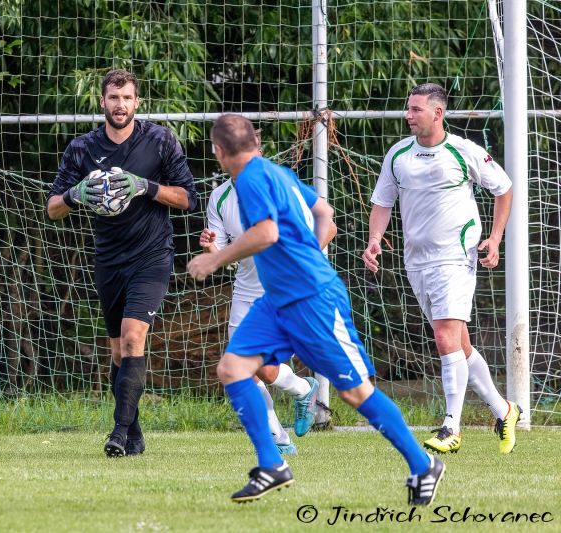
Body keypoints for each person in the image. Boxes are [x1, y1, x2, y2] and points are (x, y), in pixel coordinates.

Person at [187, 114, 443, 505]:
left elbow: (267, 232)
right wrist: (310, 250)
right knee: (233, 368)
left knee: (355, 393)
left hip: (312, 300)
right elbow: (324, 212)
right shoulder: (277, 172)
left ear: (218, 152)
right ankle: (272, 463)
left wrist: (214, 259)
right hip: (278, 301)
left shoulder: (251, 179)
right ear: (255, 142)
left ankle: (422, 464)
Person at [362, 83, 521, 455]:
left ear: (438, 113)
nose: (408, 115)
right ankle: (504, 410)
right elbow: (382, 202)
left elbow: (504, 188)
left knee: (445, 338)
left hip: (456, 255)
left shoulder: (463, 150)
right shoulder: (398, 154)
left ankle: (452, 426)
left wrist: (495, 238)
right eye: (408, 108)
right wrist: (374, 239)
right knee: (459, 345)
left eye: (416, 109)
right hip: (416, 260)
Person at [47, 69, 197, 458]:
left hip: (152, 256)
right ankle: (134, 433)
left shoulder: (160, 140)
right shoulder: (81, 149)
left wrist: (144, 186)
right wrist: (76, 194)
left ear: (137, 102)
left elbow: (187, 198)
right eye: (114, 98)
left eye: (127, 98)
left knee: (133, 338)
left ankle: (117, 432)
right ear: (102, 102)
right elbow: (52, 208)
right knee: (117, 352)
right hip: (109, 259)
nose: (120, 105)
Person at [200, 165, 328, 454]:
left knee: (264, 369)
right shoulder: (220, 197)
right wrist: (211, 249)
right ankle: (279, 437)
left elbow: (327, 226)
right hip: (245, 293)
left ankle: (302, 390)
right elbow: (224, 257)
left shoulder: (280, 185)